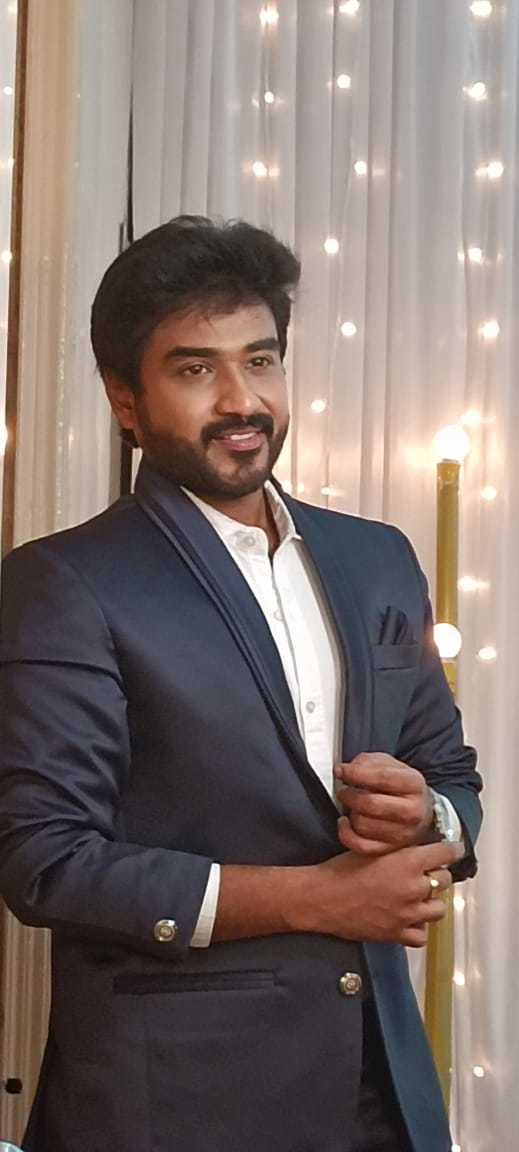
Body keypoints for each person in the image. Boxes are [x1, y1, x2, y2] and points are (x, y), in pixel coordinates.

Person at [0, 216, 482, 1152]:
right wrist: (317, 899)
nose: (241, 400)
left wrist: (425, 813)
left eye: (260, 361)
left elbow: (452, 778)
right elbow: (45, 861)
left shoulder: (376, 558)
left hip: (384, 1091)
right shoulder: (64, 582)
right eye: (195, 369)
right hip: (179, 1106)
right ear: (125, 399)